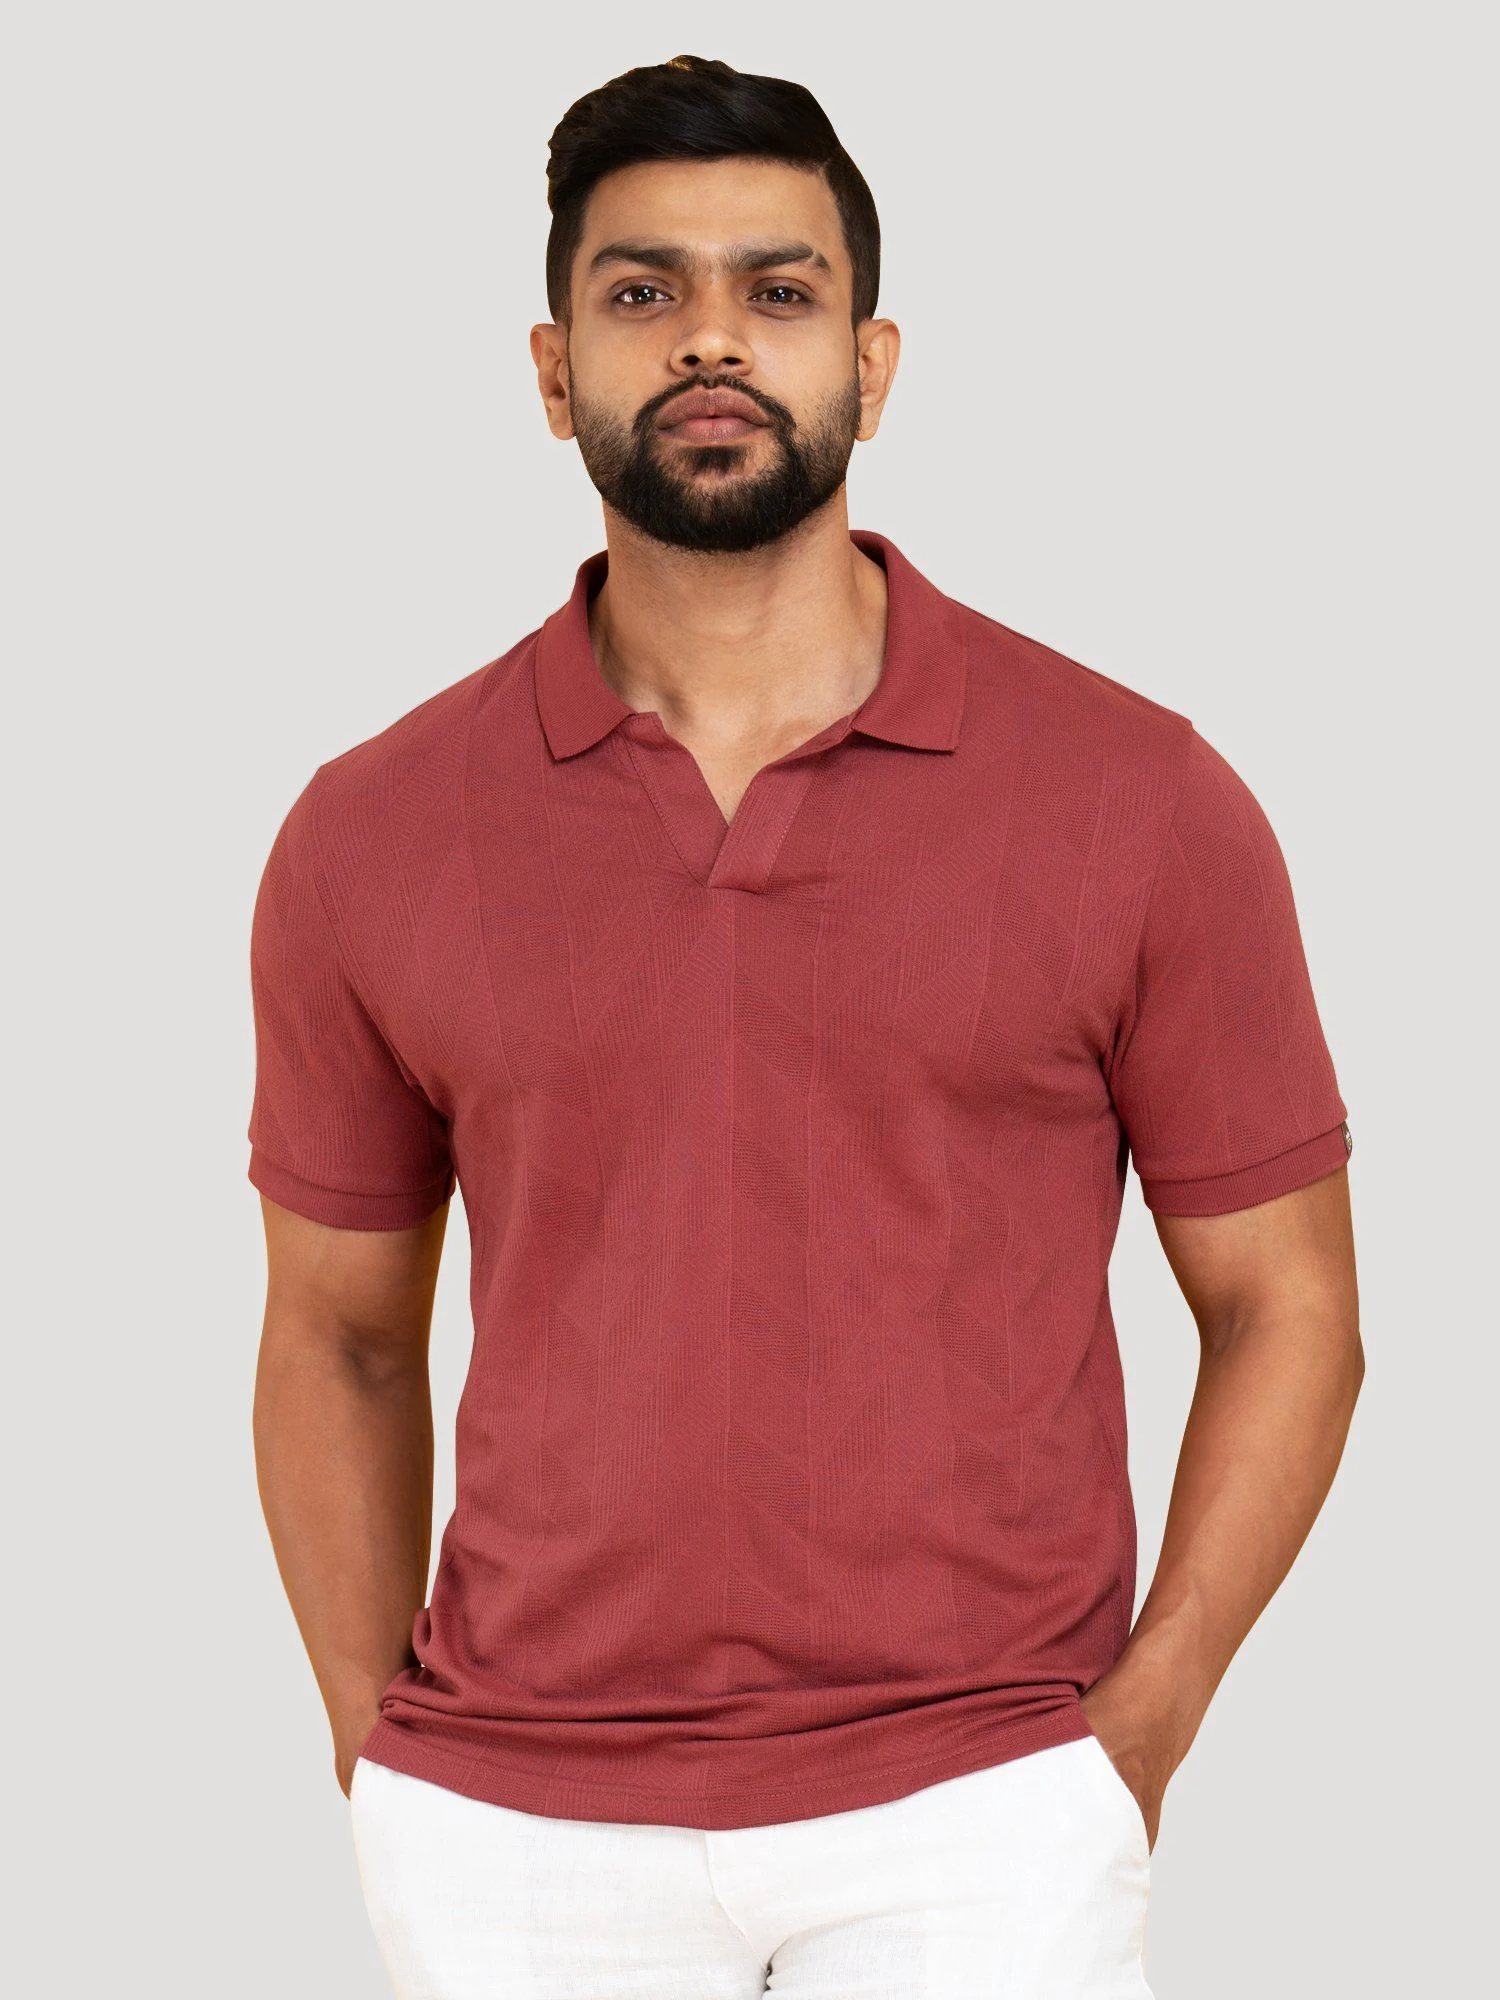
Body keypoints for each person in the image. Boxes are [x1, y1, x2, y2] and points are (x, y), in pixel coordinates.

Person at [248, 53, 1362, 2000]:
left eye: (778, 290)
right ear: (551, 370)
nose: (710, 339)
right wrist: (383, 1759)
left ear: (872, 360)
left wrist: (1139, 1731)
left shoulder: (1138, 798)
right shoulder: (373, 830)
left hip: (983, 1804)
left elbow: (1290, 1308)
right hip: (515, 1831)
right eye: (642, 291)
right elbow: (336, 1336)